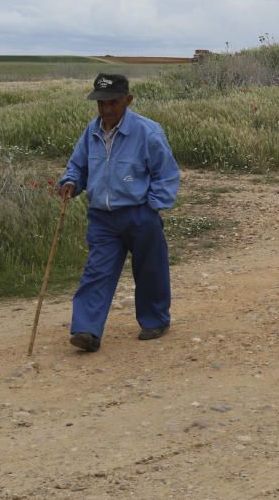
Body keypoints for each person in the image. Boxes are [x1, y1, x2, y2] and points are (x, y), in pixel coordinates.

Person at [58, 73, 180, 352]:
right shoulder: (91, 132)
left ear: (128, 100)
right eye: (101, 103)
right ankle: (86, 330)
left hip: (140, 213)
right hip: (102, 216)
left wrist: (153, 206)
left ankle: (155, 321)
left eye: (113, 102)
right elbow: (77, 166)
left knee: (150, 269)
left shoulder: (148, 132)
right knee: (97, 271)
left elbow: (167, 174)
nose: (106, 109)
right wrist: (70, 183)